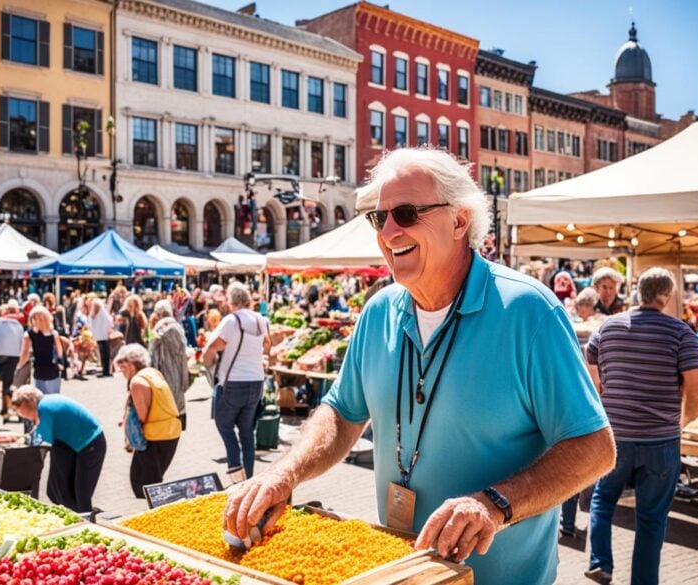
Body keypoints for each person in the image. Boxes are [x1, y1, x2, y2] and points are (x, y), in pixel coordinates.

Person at [223, 148, 614, 584]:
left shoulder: (528, 311)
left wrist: (493, 505)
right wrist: (284, 472)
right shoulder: (379, 311)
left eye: (406, 213)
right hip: (401, 573)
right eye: (379, 217)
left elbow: (595, 448)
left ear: (460, 221)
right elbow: (341, 411)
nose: (388, 232)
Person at [585, 268, 698, 585]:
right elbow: (697, 392)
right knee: (652, 520)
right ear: (666, 297)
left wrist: (605, 397)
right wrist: (680, 422)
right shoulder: (681, 333)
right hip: (661, 441)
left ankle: (600, 561)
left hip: (615, 437)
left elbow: (591, 371)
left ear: (639, 292)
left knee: (602, 497)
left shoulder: (608, 327)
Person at [203, 282, 272, 479]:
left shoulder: (231, 321)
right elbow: (267, 346)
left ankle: (235, 468)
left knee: (223, 423)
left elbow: (213, 347)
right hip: (256, 382)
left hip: (234, 382)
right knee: (247, 431)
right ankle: (248, 476)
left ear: (231, 300)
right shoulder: (261, 320)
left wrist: (206, 363)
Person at [12, 385, 105, 513]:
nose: (23, 416)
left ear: (30, 403)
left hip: (90, 445)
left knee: (81, 494)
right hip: (78, 445)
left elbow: (43, 441)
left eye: (23, 411)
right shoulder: (46, 403)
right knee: (59, 490)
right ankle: (81, 515)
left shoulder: (44, 408)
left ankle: (88, 522)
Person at [114, 344, 182, 498]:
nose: (122, 373)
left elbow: (142, 416)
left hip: (155, 435)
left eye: (123, 368)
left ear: (131, 364)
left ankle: (159, 514)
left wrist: (130, 435)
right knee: (153, 480)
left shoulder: (137, 382)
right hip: (170, 431)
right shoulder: (151, 373)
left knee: (142, 483)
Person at [149, 300, 190, 429]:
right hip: (178, 371)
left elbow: (152, 353)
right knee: (177, 400)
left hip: (164, 372)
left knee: (165, 401)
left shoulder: (159, 328)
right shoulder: (178, 327)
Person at [0, 302, 25, 416]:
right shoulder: (19, 325)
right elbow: (21, 342)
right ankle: (6, 407)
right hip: (13, 355)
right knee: (7, 383)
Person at [17, 306, 63, 395]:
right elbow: (60, 352)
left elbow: (24, 355)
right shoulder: (54, 333)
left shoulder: (29, 335)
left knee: (40, 401)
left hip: (38, 371)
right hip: (52, 371)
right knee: (54, 400)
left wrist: (18, 368)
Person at [88, 297, 114, 377]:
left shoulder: (96, 311)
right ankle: (106, 370)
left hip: (100, 335)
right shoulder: (103, 312)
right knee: (106, 354)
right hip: (103, 335)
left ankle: (106, 370)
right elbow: (109, 321)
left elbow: (91, 319)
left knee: (104, 354)